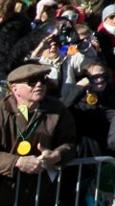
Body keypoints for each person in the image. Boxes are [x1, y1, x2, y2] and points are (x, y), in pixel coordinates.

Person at [1, 63, 76, 206]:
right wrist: (17, 161)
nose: (39, 84)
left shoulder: (57, 109)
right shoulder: (1, 111)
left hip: (40, 191)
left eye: (43, 80)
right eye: (32, 82)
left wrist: (57, 155)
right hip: (5, 190)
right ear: (15, 88)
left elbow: (70, 143)